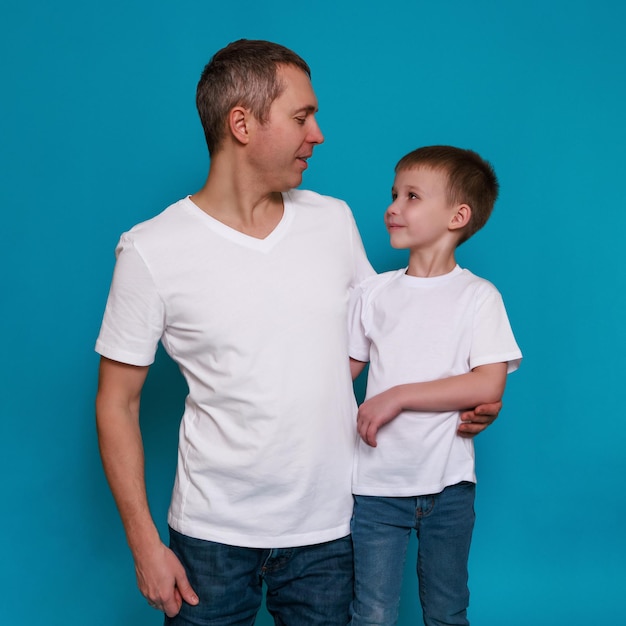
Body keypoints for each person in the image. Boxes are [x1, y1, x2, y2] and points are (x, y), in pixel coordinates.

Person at [95, 41, 500, 626]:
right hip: (210, 538)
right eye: (301, 117)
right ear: (241, 124)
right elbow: (116, 402)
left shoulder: (331, 220)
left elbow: (393, 328)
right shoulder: (150, 250)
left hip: (331, 533)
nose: (319, 134)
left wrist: (471, 395)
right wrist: (143, 545)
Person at [348, 145, 522, 626]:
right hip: (376, 488)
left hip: (449, 489)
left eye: (411, 196)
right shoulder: (372, 293)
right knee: (373, 613)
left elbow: (489, 383)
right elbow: (338, 375)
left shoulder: (478, 297)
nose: (393, 207)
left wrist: (398, 396)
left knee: (447, 611)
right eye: (393, 194)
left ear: (457, 215)